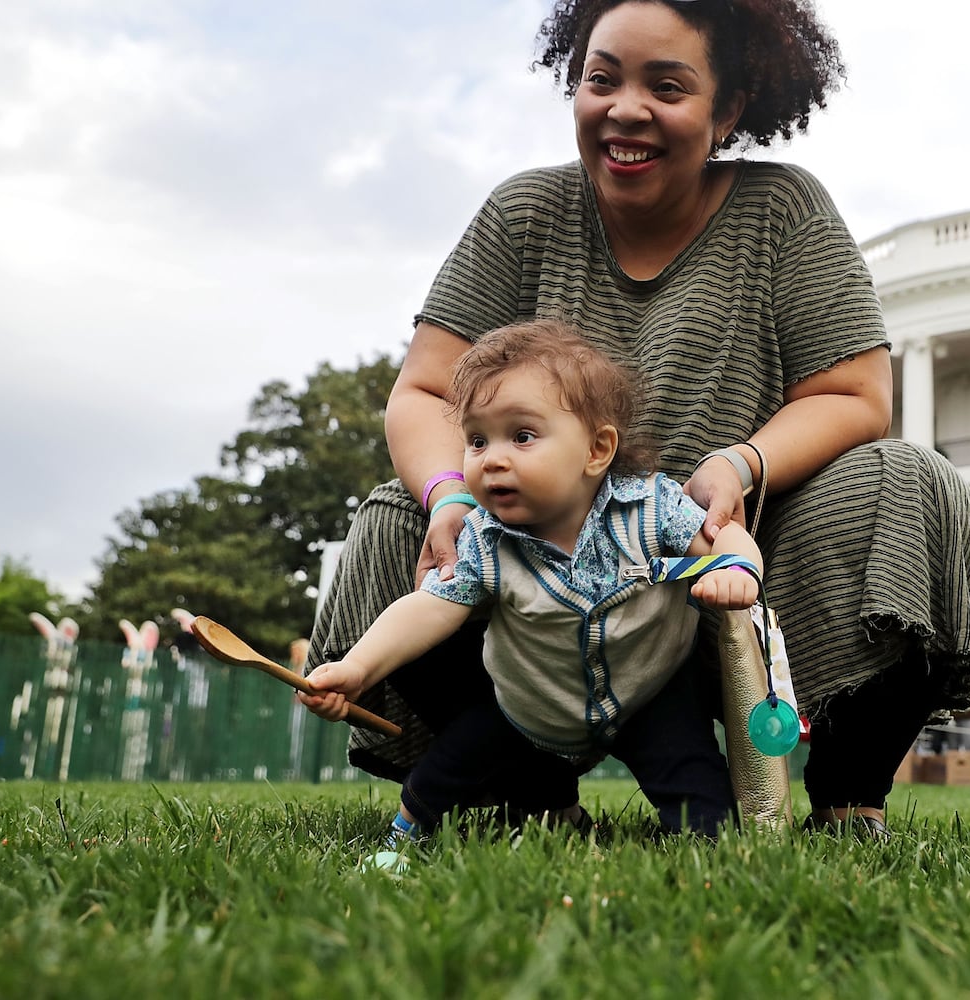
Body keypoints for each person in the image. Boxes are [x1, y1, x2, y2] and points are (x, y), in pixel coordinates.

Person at [304, 0, 970, 839]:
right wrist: (452, 497)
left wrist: (740, 466)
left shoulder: (784, 211)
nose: (626, 108)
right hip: (530, 585)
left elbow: (856, 393)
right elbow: (424, 392)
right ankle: (527, 796)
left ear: (728, 110)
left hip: (725, 580)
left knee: (906, 481)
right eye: (601, 79)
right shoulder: (522, 214)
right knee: (396, 514)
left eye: (666, 87)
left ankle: (847, 797)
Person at [303, 321, 762, 848]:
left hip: (650, 692)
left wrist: (737, 571)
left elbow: (723, 535)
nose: (492, 457)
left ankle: (708, 846)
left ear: (597, 449)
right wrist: (358, 666)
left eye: (521, 436)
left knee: (702, 801)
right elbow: (428, 608)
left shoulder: (651, 508)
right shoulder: (483, 538)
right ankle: (402, 841)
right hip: (529, 707)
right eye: (476, 440)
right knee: (446, 768)